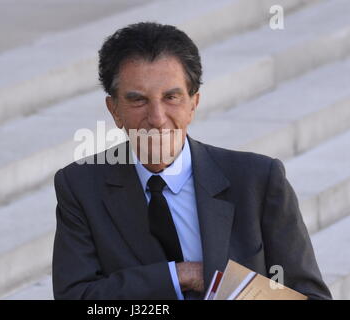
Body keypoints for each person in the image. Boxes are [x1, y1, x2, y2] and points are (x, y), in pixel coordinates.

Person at [52, 22, 332, 300]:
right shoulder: (80, 186)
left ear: (193, 104)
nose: (157, 118)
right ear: (114, 110)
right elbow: (77, 297)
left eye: (171, 97)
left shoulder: (258, 179)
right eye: (138, 100)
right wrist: (179, 275)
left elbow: (310, 296)